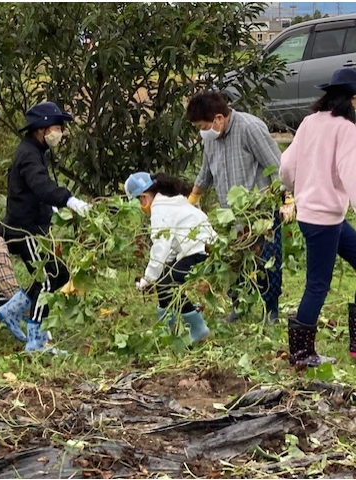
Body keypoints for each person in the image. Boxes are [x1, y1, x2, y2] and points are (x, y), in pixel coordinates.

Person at [0, 101, 91, 352]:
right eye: (56, 127)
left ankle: (10, 311)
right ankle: (35, 339)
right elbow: (39, 184)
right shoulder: (28, 154)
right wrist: (67, 199)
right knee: (50, 278)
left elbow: (34, 189)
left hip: (35, 225)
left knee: (56, 274)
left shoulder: (34, 150)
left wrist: (52, 208)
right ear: (41, 129)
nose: (59, 133)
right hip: (25, 229)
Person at [186, 91, 284, 324]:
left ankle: (270, 311)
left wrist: (286, 199)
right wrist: (192, 198)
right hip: (230, 215)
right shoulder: (211, 138)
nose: (202, 131)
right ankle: (239, 306)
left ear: (219, 118)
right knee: (234, 264)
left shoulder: (250, 128)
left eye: (203, 125)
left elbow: (277, 166)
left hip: (259, 213)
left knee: (267, 262)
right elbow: (206, 172)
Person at [280, 67, 356, 367]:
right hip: (325, 217)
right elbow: (352, 174)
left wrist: (287, 189)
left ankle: (354, 345)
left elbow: (286, 163)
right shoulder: (347, 129)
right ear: (350, 100)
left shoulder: (310, 122)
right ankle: (301, 354)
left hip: (314, 213)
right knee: (317, 284)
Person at [125, 172, 217, 343]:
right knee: (164, 280)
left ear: (145, 196)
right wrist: (161, 271)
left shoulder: (160, 209)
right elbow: (172, 245)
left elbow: (161, 246)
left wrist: (148, 278)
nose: (141, 206)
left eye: (139, 200)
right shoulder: (172, 200)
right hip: (203, 248)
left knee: (168, 285)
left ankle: (198, 329)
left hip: (200, 251)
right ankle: (169, 330)